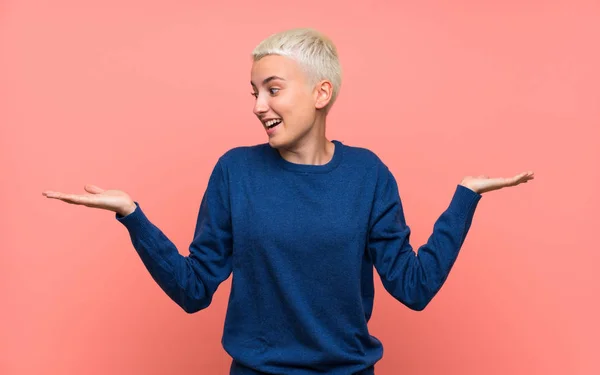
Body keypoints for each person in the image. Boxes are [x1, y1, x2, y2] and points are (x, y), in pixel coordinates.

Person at [42, 28, 534, 375]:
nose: (259, 105)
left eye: (273, 89)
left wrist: (465, 199)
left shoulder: (368, 174)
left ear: (321, 92)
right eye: (254, 92)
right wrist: (132, 216)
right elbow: (193, 290)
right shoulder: (236, 170)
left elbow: (414, 287)